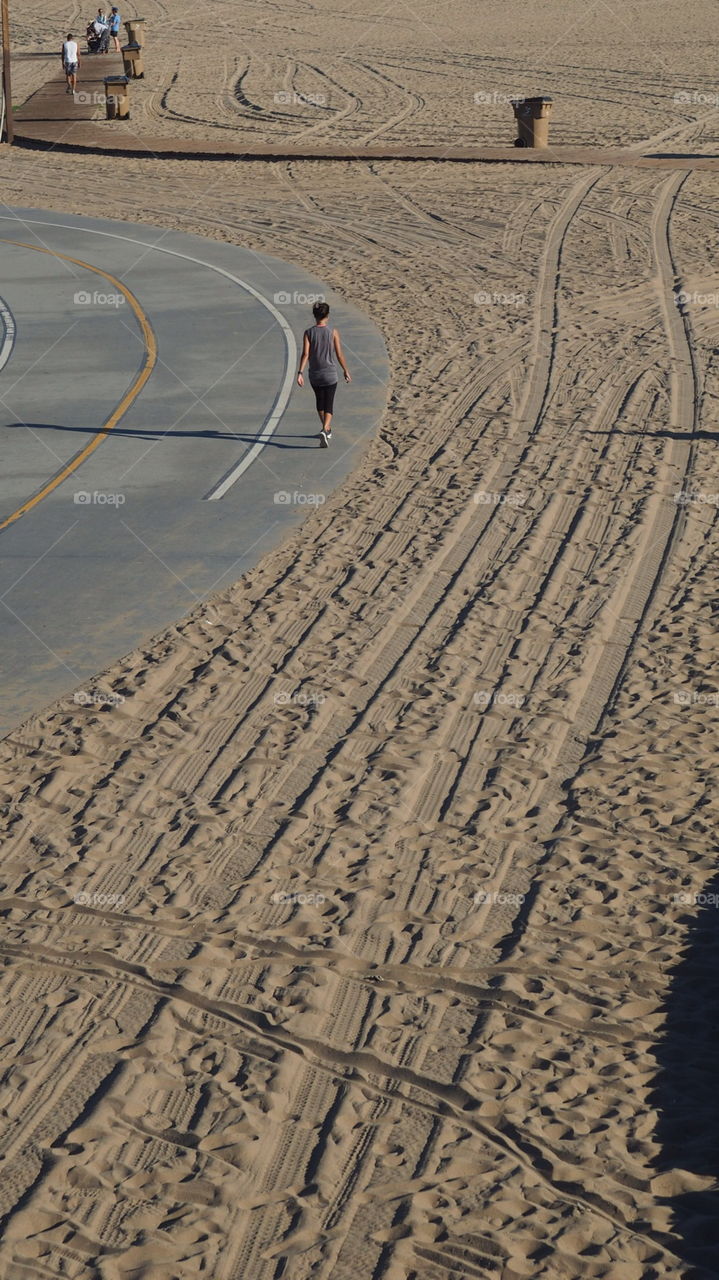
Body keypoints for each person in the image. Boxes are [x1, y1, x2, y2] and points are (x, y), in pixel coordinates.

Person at [297, 302, 351, 447]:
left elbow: (305, 354)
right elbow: (339, 354)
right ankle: (324, 429)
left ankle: (327, 430)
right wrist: (345, 370)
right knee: (329, 404)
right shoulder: (333, 332)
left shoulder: (308, 333)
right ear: (327, 316)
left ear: (314, 316)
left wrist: (300, 372)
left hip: (315, 374)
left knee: (320, 403)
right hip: (330, 374)